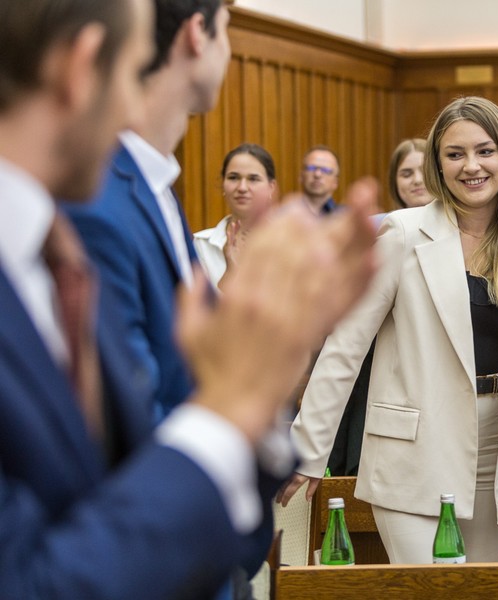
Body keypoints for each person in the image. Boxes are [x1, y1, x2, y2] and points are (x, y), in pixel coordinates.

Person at [0, 0, 377, 597]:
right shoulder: (83, 225)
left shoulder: (47, 250)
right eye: (129, 74)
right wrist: (237, 398)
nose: (132, 111)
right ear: (81, 69)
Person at [278, 96, 498, 563]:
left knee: (482, 595)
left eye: (484, 151)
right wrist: (308, 449)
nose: (471, 166)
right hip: (413, 456)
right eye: (454, 154)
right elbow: (345, 349)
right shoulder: (401, 234)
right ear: (437, 164)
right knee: (429, 590)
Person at [61, 0, 231, 421]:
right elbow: (132, 412)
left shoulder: (157, 187)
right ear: (196, 33)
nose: (228, 48)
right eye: (226, 29)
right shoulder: (98, 200)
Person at [329, 137, 431, 476]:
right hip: (378, 358)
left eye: (422, 170)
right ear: (394, 181)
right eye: (406, 173)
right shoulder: (376, 227)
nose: (416, 180)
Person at [194, 143, 277, 290]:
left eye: (253, 179)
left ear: (271, 187)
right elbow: (196, 310)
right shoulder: (200, 245)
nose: (242, 188)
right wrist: (231, 274)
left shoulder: (292, 244)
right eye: (233, 178)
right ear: (223, 185)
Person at [389, 137, 431, 209]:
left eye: (425, 172)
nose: (417, 180)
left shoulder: (455, 220)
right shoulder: (379, 220)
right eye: (406, 175)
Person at [298, 145, 341, 215]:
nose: (317, 174)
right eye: (311, 168)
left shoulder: (346, 219)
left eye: (325, 170)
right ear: (301, 176)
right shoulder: (285, 216)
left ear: (335, 182)